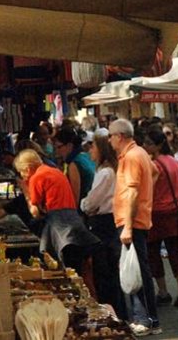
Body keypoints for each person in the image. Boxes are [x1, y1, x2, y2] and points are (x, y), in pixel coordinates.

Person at [108, 119, 161, 336]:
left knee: (136, 271)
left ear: (119, 136)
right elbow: (155, 172)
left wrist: (128, 227)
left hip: (132, 222)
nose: (109, 140)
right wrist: (147, 195)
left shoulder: (131, 157)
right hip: (137, 219)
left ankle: (145, 319)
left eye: (111, 136)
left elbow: (131, 192)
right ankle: (149, 318)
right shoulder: (139, 153)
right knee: (139, 269)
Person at [14, 150, 100, 274]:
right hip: (75, 222)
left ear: (27, 169)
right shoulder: (55, 171)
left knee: (59, 269)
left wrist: (26, 191)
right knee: (77, 269)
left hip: (59, 226)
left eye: (21, 172)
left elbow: (35, 212)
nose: (23, 176)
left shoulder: (36, 177)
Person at [80, 130, 127, 320]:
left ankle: (112, 315)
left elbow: (90, 203)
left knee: (105, 274)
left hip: (103, 225)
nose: (90, 150)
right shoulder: (114, 170)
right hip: (111, 223)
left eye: (93, 146)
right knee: (111, 273)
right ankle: (119, 313)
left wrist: (83, 204)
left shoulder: (105, 173)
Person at [142, 126, 178, 308]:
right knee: (176, 253)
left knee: (153, 253)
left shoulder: (154, 165)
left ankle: (163, 292)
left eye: (148, 143)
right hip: (174, 211)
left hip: (157, 213)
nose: (145, 146)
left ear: (158, 145)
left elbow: (148, 189)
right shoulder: (173, 161)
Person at [53, 125, 96, 205]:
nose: (57, 152)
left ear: (69, 145)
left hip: (84, 210)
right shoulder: (86, 155)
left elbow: (74, 198)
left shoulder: (74, 164)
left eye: (59, 147)